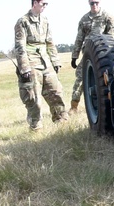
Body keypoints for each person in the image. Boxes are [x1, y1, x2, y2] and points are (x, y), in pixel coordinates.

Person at [14, 0, 68, 131]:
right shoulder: (23, 22)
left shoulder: (45, 20)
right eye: (43, 3)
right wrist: (24, 67)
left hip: (45, 61)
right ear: (35, 3)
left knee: (56, 92)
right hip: (31, 61)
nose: (45, 6)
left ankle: (62, 122)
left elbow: (50, 42)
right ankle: (36, 127)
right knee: (34, 98)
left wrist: (55, 61)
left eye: (46, 4)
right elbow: (20, 47)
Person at [69, 0, 114, 112]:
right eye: (92, 3)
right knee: (80, 78)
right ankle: (74, 106)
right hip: (88, 54)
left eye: (96, 3)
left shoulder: (108, 17)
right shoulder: (84, 19)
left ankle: (110, 106)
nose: (94, 5)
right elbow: (79, 38)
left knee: (108, 79)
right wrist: (74, 56)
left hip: (103, 54)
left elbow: (112, 37)